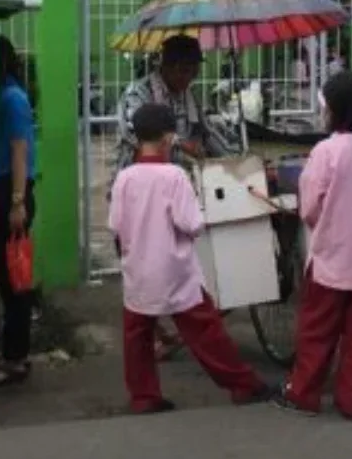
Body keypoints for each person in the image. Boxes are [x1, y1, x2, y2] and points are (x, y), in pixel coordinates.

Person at [109, 103, 269, 414]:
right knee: (206, 332)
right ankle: (243, 384)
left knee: (137, 335)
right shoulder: (175, 177)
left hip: (138, 271)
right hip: (175, 270)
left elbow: (116, 225)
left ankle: (144, 396)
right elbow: (192, 224)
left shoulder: (125, 178)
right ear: (169, 138)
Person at [271, 72, 352, 420]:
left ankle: (304, 393)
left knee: (317, 330)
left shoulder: (326, 151)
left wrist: (322, 225)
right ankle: (351, 399)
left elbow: (310, 204)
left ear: (336, 111)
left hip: (330, 256)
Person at [114, 35, 234, 360]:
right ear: (165, 66)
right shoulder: (137, 94)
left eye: (194, 71)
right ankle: (153, 333)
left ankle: (158, 329)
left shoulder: (189, 97)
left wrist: (235, 161)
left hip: (173, 192)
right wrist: (181, 144)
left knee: (168, 266)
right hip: (139, 195)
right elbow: (132, 132)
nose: (189, 78)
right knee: (142, 269)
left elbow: (207, 135)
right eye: (184, 70)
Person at [0, 35, 38, 387]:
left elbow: (20, 151)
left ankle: (15, 358)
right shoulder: (2, 94)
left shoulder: (12, 98)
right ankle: (13, 353)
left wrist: (17, 203)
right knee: (8, 277)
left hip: (10, 192)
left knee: (14, 278)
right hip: (2, 190)